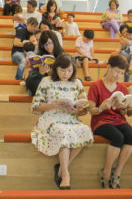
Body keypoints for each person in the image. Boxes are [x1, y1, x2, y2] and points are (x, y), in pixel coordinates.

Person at [31, 54, 93, 189]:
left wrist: (76, 110)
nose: (66, 74)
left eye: (70, 71)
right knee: (62, 131)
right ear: (56, 69)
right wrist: (52, 105)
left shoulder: (77, 83)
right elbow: (35, 106)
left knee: (85, 130)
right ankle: (65, 174)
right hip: (50, 117)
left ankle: (61, 168)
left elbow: (83, 108)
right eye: (63, 70)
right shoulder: (46, 81)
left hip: (70, 118)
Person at [87, 54, 132, 189]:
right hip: (100, 121)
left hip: (118, 120)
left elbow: (124, 113)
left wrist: (123, 109)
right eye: (116, 71)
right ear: (108, 67)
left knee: (131, 135)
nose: (118, 76)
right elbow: (91, 110)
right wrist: (102, 108)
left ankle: (118, 172)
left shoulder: (122, 88)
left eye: (121, 73)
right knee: (118, 137)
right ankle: (106, 172)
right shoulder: (95, 86)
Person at [25, 30, 65, 96]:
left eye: (50, 43)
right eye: (45, 44)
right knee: (30, 81)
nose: (48, 47)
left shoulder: (63, 56)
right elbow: (31, 82)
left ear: (55, 42)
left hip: (58, 85)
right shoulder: (40, 57)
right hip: (44, 87)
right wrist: (40, 73)